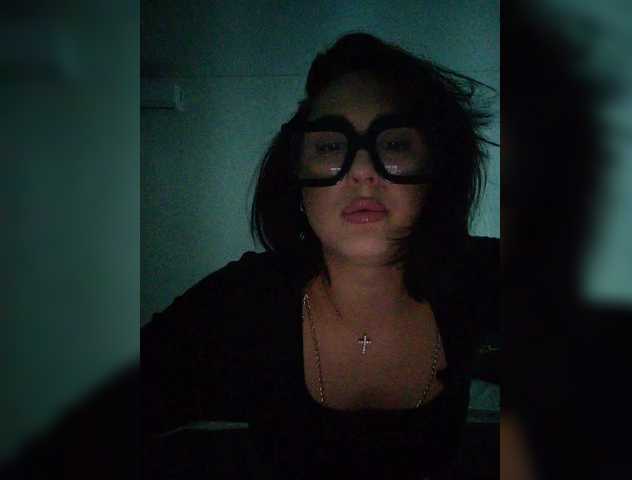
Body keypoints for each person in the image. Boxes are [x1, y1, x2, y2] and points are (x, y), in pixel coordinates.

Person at [142, 32, 499, 480]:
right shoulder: (244, 298)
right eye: (330, 146)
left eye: (394, 143)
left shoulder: (480, 275)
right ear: (295, 171)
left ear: (435, 169)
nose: (363, 172)